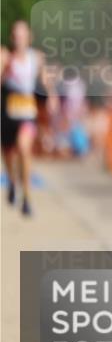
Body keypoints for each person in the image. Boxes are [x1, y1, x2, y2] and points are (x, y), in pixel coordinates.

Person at [1, 21, 57, 216]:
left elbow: (45, 80)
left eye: (22, 35)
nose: (19, 39)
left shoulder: (37, 57)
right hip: (8, 113)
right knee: (8, 154)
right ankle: (11, 182)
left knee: (24, 149)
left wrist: (51, 96)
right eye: (16, 35)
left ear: (29, 37)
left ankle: (26, 197)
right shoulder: (5, 57)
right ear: (12, 38)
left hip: (27, 113)